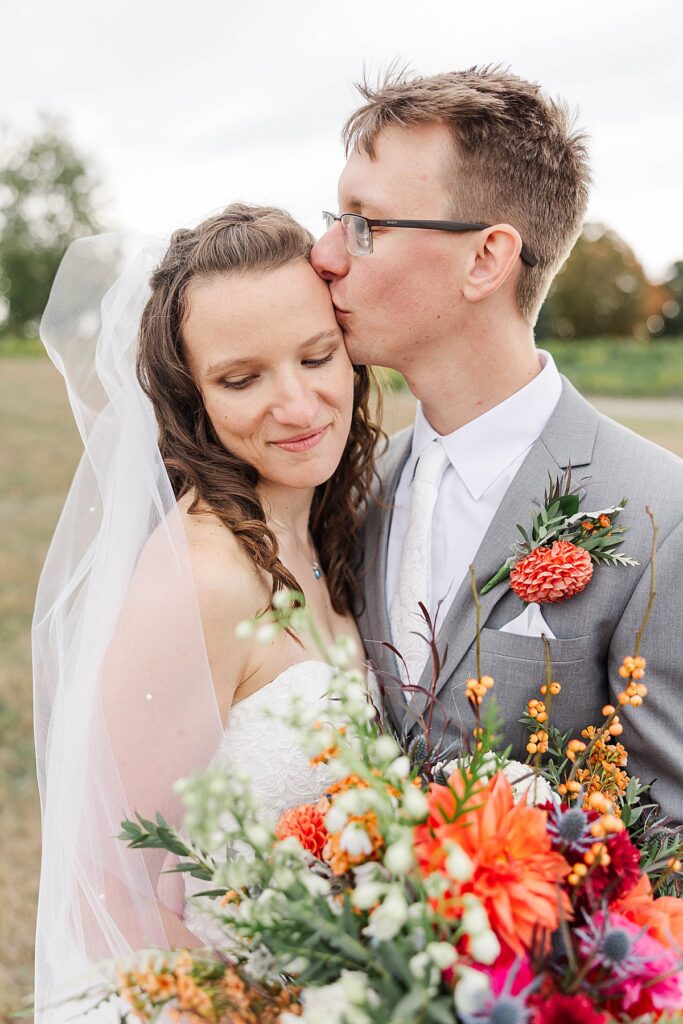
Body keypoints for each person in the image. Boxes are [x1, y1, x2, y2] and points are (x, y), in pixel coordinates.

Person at [33, 204, 382, 1020]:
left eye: (316, 356)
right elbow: (114, 894)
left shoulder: (333, 531)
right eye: (241, 378)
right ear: (192, 399)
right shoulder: (201, 578)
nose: (297, 404)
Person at [311, 66, 683, 825]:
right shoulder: (346, 488)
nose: (323, 254)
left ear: (484, 258)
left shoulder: (660, 519)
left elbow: (666, 846)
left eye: (364, 225)